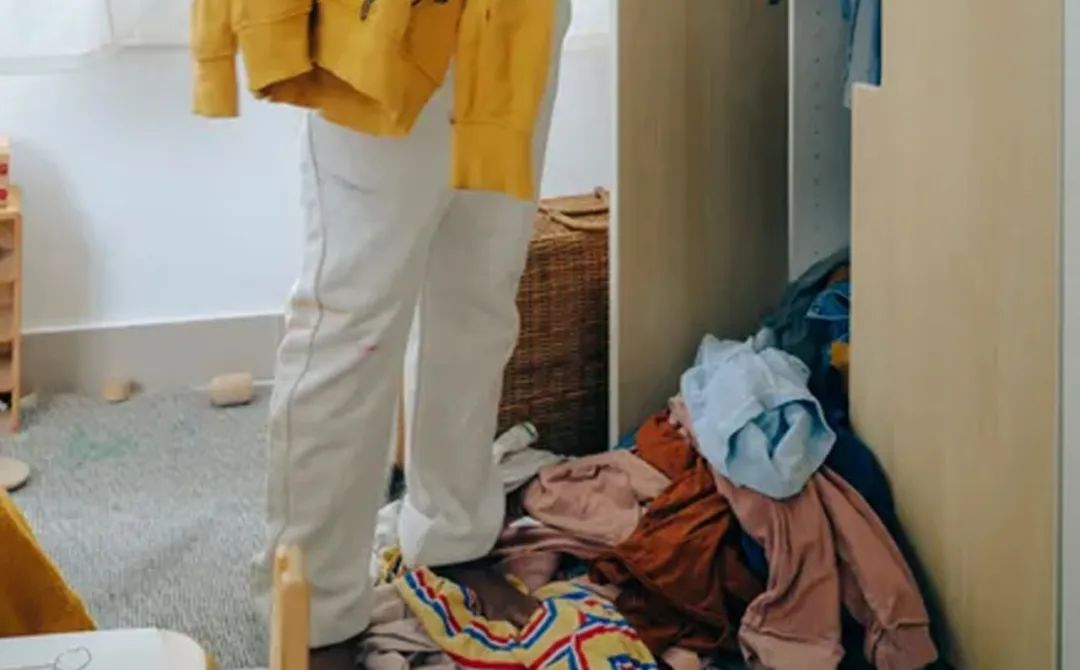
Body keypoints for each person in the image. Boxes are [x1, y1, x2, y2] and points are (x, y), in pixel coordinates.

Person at [246, 3, 572, 668]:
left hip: (520, 20)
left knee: (480, 301)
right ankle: (315, 612)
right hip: (383, 23)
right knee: (351, 322)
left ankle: (453, 537)